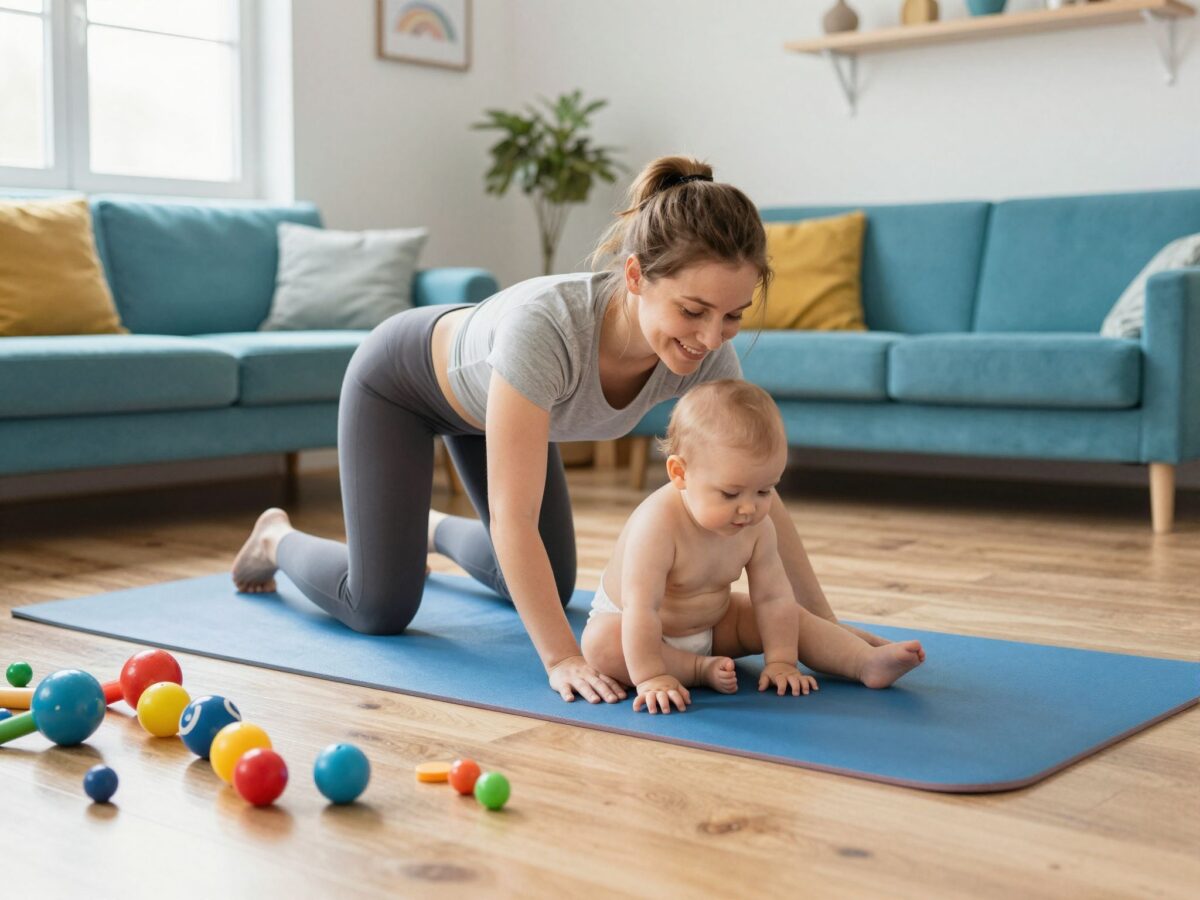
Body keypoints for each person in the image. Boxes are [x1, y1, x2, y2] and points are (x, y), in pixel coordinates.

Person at [232, 154, 881, 706]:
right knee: (380, 607)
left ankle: (422, 527)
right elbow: (515, 524)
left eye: (733, 316)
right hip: (401, 385)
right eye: (693, 310)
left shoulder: (705, 352)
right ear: (635, 277)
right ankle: (276, 536)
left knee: (554, 575)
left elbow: (754, 487)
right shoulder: (549, 329)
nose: (712, 338)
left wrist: (826, 634)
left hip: (494, 405)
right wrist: (563, 659)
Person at [581, 380, 926, 714]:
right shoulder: (655, 526)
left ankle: (863, 663)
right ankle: (695, 669)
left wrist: (780, 661)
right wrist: (652, 677)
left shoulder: (756, 525)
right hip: (638, 631)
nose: (749, 508)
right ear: (679, 474)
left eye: (764, 491)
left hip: (715, 623)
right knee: (600, 644)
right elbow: (642, 610)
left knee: (791, 616)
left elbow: (772, 597)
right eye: (731, 493)